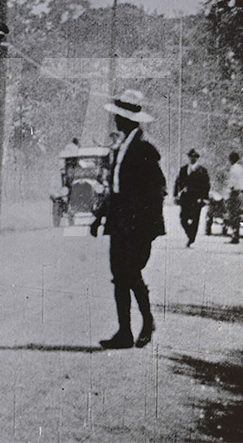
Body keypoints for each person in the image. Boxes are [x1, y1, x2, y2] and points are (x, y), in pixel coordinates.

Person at [90, 89, 165, 349]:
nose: (116, 121)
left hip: (137, 224)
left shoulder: (145, 148)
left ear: (131, 120)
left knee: (131, 273)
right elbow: (116, 189)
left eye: (120, 117)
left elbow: (157, 192)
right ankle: (124, 332)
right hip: (120, 221)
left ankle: (147, 321)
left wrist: (147, 227)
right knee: (119, 276)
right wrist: (99, 218)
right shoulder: (122, 146)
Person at [173, 148, 211, 247]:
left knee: (195, 219)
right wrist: (175, 195)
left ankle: (191, 238)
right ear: (188, 158)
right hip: (185, 198)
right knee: (183, 218)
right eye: (190, 157)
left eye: (194, 157)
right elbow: (177, 183)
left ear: (197, 158)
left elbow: (206, 185)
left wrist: (204, 198)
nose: (192, 159)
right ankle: (189, 233)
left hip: (197, 198)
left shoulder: (202, 171)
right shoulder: (184, 169)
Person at [225, 151, 243, 244]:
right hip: (239, 193)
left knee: (233, 215)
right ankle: (235, 234)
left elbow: (232, 183)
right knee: (236, 215)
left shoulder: (234, 169)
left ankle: (235, 235)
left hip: (234, 193)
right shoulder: (241, 168)